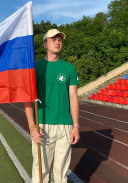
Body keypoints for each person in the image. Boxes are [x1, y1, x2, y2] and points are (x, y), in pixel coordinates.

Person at [25, 29, 80, 183]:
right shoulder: (34, 69)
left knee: (60, 174)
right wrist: (31, 126)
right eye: (53, 39)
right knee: (41, 172)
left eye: (60, 39)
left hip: (65, 126)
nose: (57, 42)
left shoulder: (69, 68)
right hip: (42, 126)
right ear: (44, 44)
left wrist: (75, 126)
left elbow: (73, 97)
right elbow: (27, 100)